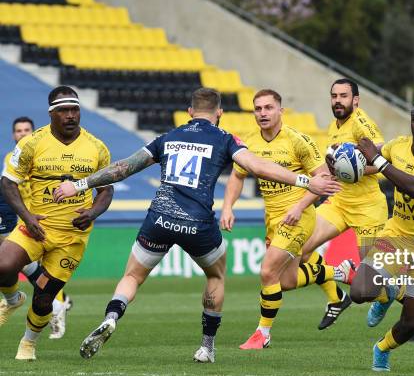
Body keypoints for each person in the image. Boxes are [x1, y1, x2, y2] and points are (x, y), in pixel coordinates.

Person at [53, 88, 340, 362]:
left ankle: (111, 317)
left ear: (189, 112)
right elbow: (258, 167)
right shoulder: (225, 138)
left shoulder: (168, 136)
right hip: (198, 224)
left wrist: (79, 185)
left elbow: (124, 167)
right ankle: (207, 347)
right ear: (219, 113)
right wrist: (306, 180)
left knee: (133, 276)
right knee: (215, 277)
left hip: (160, 219)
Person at [221, 89, 343, 349]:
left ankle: (262, 334)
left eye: (268, 108)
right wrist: (227, 207)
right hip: (273, 220)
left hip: (299, 216)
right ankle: (341, 271)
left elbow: (323, 180)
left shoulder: (298, 141)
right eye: (258, 109)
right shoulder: (249, 144)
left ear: (280, 111)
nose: (263, 113)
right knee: (285, 281)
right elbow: (237, 176)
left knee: (267, 271)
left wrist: (299, 207)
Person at [0, 86, 114, 360]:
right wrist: (27, 217)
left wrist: (93, 213)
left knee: (44, 297)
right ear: (51, 113)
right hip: (34, 227)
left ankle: (28, 343)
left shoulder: (96, 147)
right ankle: (14, 298)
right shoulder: (31, 144)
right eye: (64, 110)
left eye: (75, 109)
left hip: (72, 238)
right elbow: (7, 183)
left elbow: (106, 190)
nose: (71, 115)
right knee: (2, 265)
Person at [347, 101, 414, 371]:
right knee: (360, 291)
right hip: (397, 235)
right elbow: (369, 162)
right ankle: (389, 293)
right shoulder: (397, 145)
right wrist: (343, 163)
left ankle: (381, 348)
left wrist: (378, 159)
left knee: (411, 322)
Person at [298, 78, 390, 330]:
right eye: (334, 96)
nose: (338, 100)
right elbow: (339, 166)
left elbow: (382, 155)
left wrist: (354, 168)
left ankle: (410, 307)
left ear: (355, 100)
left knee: (371, 283)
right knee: (301, 249)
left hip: (368, 208)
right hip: (339, 201)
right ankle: (336, 297)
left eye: (343, 96)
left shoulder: (362, 123)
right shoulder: (334, 126)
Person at [0, 116, 72, 340]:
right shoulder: (11, 158)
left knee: (44, 271)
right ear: (14, 135)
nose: (22, 133)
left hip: (47, 221)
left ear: (35, 132)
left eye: (26, 130)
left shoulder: (46, 155)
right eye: (18, 130)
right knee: (24, 267)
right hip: (22, 219)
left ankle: (54, 307)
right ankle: (57, 304)